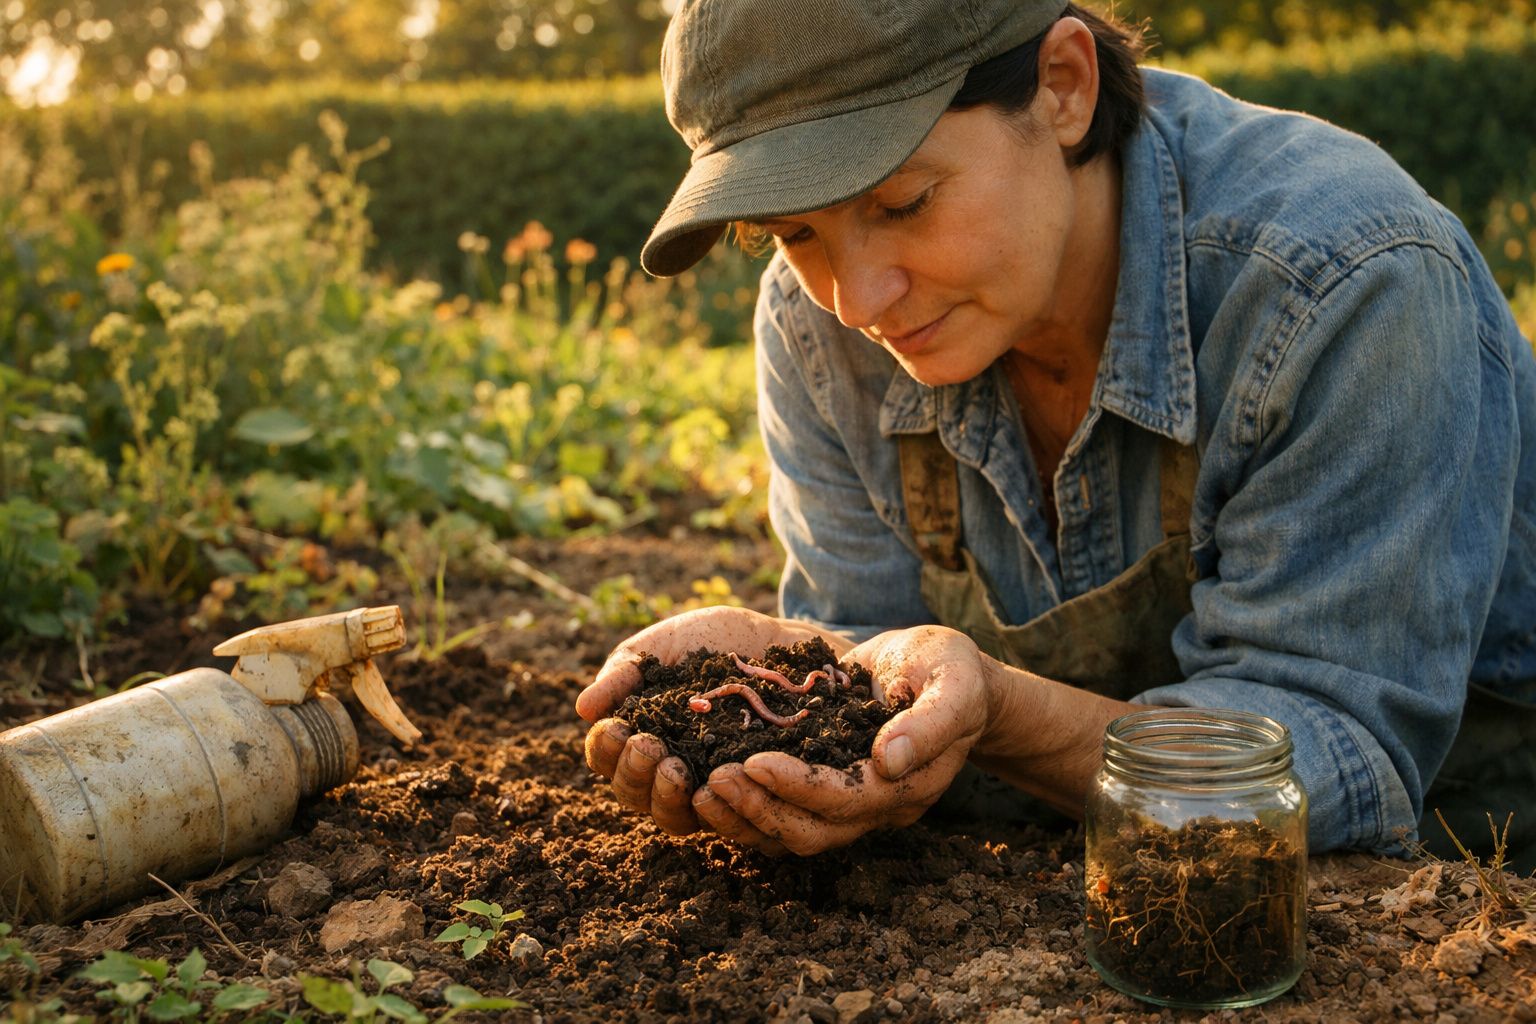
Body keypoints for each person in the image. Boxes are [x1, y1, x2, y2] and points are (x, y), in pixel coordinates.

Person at [575, 0, 1536, 865]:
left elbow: (1331, 755)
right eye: (795, 234)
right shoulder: (812, 320)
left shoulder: (1340, 281)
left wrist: (997, 709)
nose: (857, 297)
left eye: (903, 202)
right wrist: (796, 677)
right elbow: (864, 643)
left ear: (1064, 86)